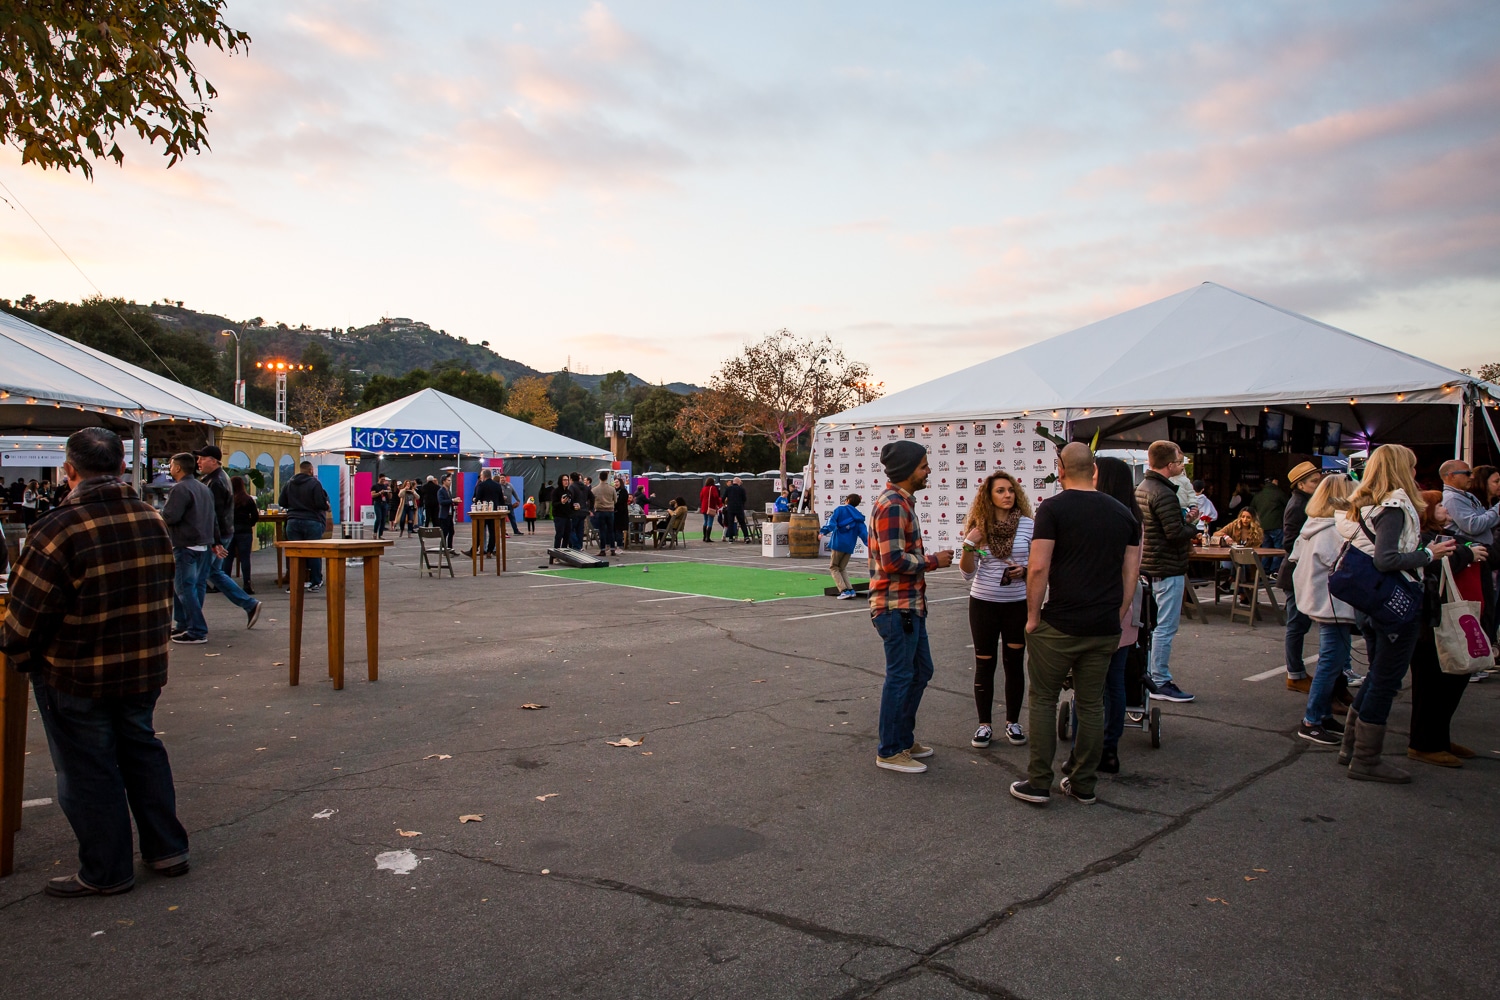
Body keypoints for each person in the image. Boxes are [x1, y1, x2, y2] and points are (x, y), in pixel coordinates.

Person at [0, 428, 189, 897]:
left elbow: (25, 618)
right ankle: (167, 848)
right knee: (141, 750)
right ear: (123, 466)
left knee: (88, 768)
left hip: (77, 670)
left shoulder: (57, 527)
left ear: (69, 470)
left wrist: (23, 657)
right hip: (143, 666)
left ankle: (106, 870)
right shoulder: (150, 517)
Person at [1010, 443, 1141, 806]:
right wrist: (1118, 614)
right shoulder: (1124, 514)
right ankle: (1084, 783)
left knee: (1043, 700)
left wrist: (1033, 616)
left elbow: (1038, 567)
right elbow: (1131, 573)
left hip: (1060, 624)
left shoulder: (1052, 508)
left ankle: (1039, 781)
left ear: (1061, 469)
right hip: (1103, 625)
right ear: (1094, 470)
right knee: (1091, 704)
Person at [1336, 444, 1455, 783]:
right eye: (1414, 467)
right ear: (1403, 469)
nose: (1417, 474)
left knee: (1378, 677)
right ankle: (1365, 760)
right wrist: (1428, 554)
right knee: (1385, 681)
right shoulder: (1395, 507)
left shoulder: (1370, 503)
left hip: (1373, 602)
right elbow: (1386, 560)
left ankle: (1352, 750)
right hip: (1392, 603)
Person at [868, 441, 953, 773]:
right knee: (902, 677)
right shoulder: (893, 505)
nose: (928, 470)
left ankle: (902, 740)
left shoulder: (901, 503)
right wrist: (934, 561)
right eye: (923, 465)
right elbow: (892, 561)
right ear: (906, 471)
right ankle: (889, 750)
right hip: (896, 607)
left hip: (909, 606)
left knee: (921, 672)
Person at [1405, 490, 1487, 767]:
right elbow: (1429, 565)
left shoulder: (1440, 535)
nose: (1446, 507)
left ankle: (1438, 738)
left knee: (1451, 678)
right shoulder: (1419, 538)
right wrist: (1467, 553)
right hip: (1429, 617)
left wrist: (1466, 550)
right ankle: (1424, 742)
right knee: (1432, 682)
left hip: (1439, 614)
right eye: (1439, 504)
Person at [959, 471, 1033, 750]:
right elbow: (967, 573)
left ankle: (1013, 722)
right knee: (985, 663)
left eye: (1010, 490)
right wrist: (969, 543)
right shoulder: (979, 528)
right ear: (988, 496)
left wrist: (1024, 571)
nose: (1007, 495)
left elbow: (1038, 565)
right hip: (983, 604)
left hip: (1017, 604)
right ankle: (984, 725)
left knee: (1014, 663)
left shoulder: (1028, 525)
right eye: (1000, 491)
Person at [1288, 474, 1357, 745]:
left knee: (1332, 661)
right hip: (1333, 605)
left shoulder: (1314, 525)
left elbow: (1295, 558)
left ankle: (1322, 715)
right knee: (1330, 662)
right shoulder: (1333, 530)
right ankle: (1313, 719)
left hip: (1322, 601)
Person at [1095, 456, 1146, 775]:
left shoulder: (1101, 516)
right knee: (1114, 681)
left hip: (1102, 605)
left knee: (1091, 683)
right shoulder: (1134, 518)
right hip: (1125, 607)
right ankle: (1109, 747)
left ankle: (1088, 745)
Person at [1135, 440, 1195, 703]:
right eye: (1180, 462)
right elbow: (1174, 534)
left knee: (1151, 628)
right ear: (1170, 465)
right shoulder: (1164, 492)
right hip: (1166, 567)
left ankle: (1151, 676)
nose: (1182, 466)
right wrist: (1193, 527)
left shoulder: (1143, 488)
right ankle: (1159, 679)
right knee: (1164, 628)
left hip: (1149, 565)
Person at [195, 446, 262, 630]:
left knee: (202, 575)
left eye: (203, 458)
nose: (199, 461)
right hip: (225, 532)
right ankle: (249, 604)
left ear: (214, 460)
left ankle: (194, 622)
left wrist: (214, 540)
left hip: (218, 533)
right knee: (213, 572)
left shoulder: (215, 482)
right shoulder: (219, 478)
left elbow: (213, 513)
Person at [1440, 459, 1498, 651]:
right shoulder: (1453, 498)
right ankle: (1473, 652)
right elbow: (1472, 526)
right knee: (1477, 605)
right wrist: (1497, 510)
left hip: (1477, 555)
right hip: (1469, 558)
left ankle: (1481, 650)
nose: (1471, 477)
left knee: (1487, 604)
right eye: (1466, 473)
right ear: (1450, 476)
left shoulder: (1465, 496)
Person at [160, 453, 216, 644]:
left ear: (177, 468)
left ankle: (197, 630)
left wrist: (158, 513)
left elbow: (170, 517)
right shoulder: (203, 488)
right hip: (203, 543)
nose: (169, 468)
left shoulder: (180, 489)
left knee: (184, 588)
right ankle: (183, 624)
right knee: (186, 587)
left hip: (185, 544)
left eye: (171, 464)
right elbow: (212, 516)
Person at [1280, 461, 1325, 693]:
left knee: (1300, 623)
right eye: (1314, 482)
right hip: (1296, 573)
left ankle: (1296, 672)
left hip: (1301, 571)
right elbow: (1289, 542)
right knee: (1297, 624)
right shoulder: (1298, 505)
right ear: (1301, 484)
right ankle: (1295, 673)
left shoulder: (1306, 502)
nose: (1319, 485)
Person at [279, 460, 331, 592]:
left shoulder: (289, 483)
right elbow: (320, 503)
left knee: (295, 553)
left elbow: (281, 502)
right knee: (313, 551)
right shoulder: (315, 483)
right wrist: (327, 506)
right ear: (311, 470)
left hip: (293, 521)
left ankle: (294, 583)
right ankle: (315, 581)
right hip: (312, 521)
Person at [820, 493, 868, 600]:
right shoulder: (859, 517)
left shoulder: (840, 510)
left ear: (847, 500)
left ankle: (843, 590)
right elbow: (864, 534)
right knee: (842, 568)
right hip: (850, 545)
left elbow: (831, 522)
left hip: (838, 543)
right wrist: (870, 544)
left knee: (833, 567)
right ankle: (850, 589)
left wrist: (823, 532)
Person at [221, 475, 259, 594]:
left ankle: (226, 583)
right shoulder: (247, 499)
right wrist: (249, 524)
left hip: (230, 531)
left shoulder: (227, 499)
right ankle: (247, 583)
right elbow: (255, 516)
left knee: (228, 558)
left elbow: (222, 515)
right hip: (244, 531)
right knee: (245, 558)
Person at [469, 470, 504, 556]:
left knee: (479, 531)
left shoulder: (481, 485)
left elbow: (478, 499)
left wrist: (475, 500)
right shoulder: (497, 485)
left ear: (484, 476)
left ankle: (474, 549)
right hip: (494, 512)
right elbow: (501, 499)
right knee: (493, 532)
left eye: (481, 475)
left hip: (483, 513)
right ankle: (490, 550)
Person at [592, 474, 619, 556]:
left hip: (600, 511)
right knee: (611, 531)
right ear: (607, 478)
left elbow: (592, 501)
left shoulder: (594, 489)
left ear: (599, 477)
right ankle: (612, 549)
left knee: (602, 531)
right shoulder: (612, 489)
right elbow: (615, 500)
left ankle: (603, 550)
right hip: (610, 511)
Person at [567, 473, 592, 549]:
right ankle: (579, 546)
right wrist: (590, 509)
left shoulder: (572, 487)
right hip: (583, 512)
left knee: (569, 530)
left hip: (574, 512)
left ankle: (576, 545)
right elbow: (592, 497)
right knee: (580, 531)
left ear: (571, 479)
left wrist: (571, 506)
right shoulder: (585, 487)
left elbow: (570, 498)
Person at [722, 476, 750, 543]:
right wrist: (742, 504)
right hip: (739, 508)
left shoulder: (728, 489)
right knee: (742, 523)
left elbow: (723, 498)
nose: (740, 483)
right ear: (738, 482)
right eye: (740, 482)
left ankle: (731, 538)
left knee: (730, 523)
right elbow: (744, 499)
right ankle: (746, 537)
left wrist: (725, 504)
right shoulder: (741, 489)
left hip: (730, 508)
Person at [551, 475, 575, 548]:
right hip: (559, 516)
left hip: (567, 517)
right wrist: (561, 502)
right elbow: (554, 504)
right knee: (559, 535)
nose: (566, 482)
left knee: (567, 535)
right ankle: (556, 553)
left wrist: (575, 507)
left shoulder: (569, 492)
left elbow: (570, 504)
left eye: (567, 480)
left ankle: (564, 551)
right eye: (564, 480)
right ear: (560, 481)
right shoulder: (556, 491)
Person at [698, 477, 722, 542]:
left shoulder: (703, 488)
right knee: (710, 522)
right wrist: (719, 503)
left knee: (705, 521)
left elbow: (701, 497)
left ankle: (704, 536)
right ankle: (707, 538)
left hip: (704, 506)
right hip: (710, 506)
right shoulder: (713, 488)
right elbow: (716, 496)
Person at [437, 475, 456, 549]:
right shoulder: (441, 491)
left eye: (450, 480)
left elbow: (450, 501)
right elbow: (441, 502)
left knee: (451, 532)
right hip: (444, 515)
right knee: (444, 533)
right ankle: (443, 548)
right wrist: (452, 500)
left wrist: (454, 502)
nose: (450, 482)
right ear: (444, 481)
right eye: (448, 480)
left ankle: (450, 548)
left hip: (450, 514)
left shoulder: (448, 491)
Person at [370, 475, 391, 539]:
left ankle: (380, 534)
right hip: (377, 503)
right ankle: (375, 532)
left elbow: (390, 497)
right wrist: (380, 493)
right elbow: (372, 495)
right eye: (382, 479)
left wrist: (389, 492)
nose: (383, 481)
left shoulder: (385, 486)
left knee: (383, 520)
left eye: (384, 479)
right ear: (379, 478)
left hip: (384, 503)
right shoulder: (375, 486)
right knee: (378, 518)